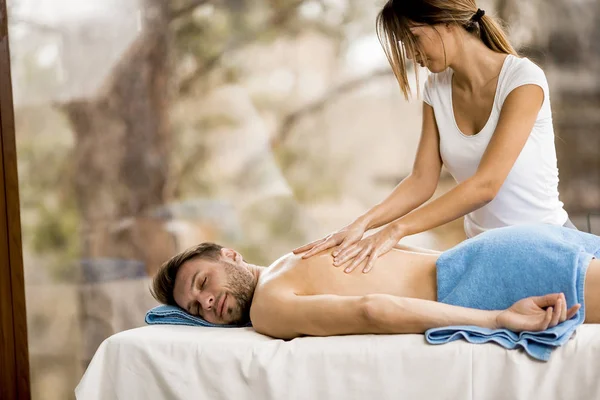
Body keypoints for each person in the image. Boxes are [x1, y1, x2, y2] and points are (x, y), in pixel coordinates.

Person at [292, 0, 574, 274]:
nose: (411, 54)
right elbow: (421, 180)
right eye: (404, 45)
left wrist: (397, 229)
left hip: (547, 244)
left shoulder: (523, 80)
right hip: (486, 253)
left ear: (447, 22)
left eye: (414, 38)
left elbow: (486, 185)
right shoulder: (436, 88)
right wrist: (362, 224)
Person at [150, 224, 600, 344]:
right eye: (194, 308)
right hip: (501, 250)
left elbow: (372, 310)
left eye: (202, 282)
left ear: (231, 255)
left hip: (488, 276)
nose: (206, 302)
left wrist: (496, 318)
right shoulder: (300, 254)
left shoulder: (269, 306)